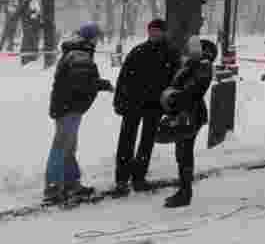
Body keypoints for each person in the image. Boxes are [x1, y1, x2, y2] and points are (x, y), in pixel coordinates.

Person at [44, 23, 113, 203]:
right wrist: (102, 84)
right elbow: (81, 83)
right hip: (69, 108)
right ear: (91, 37)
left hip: (68, 107)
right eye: (97, 36)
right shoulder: (80, 54)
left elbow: (81, 80)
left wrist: (96, 84)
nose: (99, 40)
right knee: (61, 146)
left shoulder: (77, 52)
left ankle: (70, 182)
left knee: (68, 146)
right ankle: (53, 187)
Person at [112, 18, 179, 195]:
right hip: (133, 103)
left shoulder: (171, 53)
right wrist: (119, 100)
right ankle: (121, 178)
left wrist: (172, 104)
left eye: (157, 31)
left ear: (164, 32)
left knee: (147, 142)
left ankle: (139, 177)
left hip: (155, 105)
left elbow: (176, 82)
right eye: (151, 31)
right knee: (126, 140)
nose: (153, 34)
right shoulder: (138, 51)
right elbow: (124, 77)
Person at [160, 36, 214, 208]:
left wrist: (173, 96)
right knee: (182, 153)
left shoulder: (202, 66)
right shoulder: (190, 65)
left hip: (191, 114)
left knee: (184, 152)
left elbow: (194, 91)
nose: (192, 51)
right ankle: (183, 190)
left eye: (196, 49)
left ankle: (185, 193)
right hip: (185, 113)